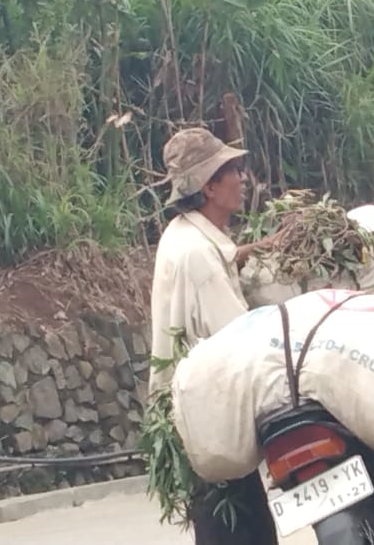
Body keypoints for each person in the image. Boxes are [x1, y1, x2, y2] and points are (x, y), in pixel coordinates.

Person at [148, 126, 278, 545]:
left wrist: (259, 248)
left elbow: (222, 257)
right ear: (208, 187)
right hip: (211, 420)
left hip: (197, 418)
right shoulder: (198, 257)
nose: (242, 178)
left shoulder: (184, 234)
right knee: (243, 532)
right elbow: (240, 339)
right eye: (232, 170)